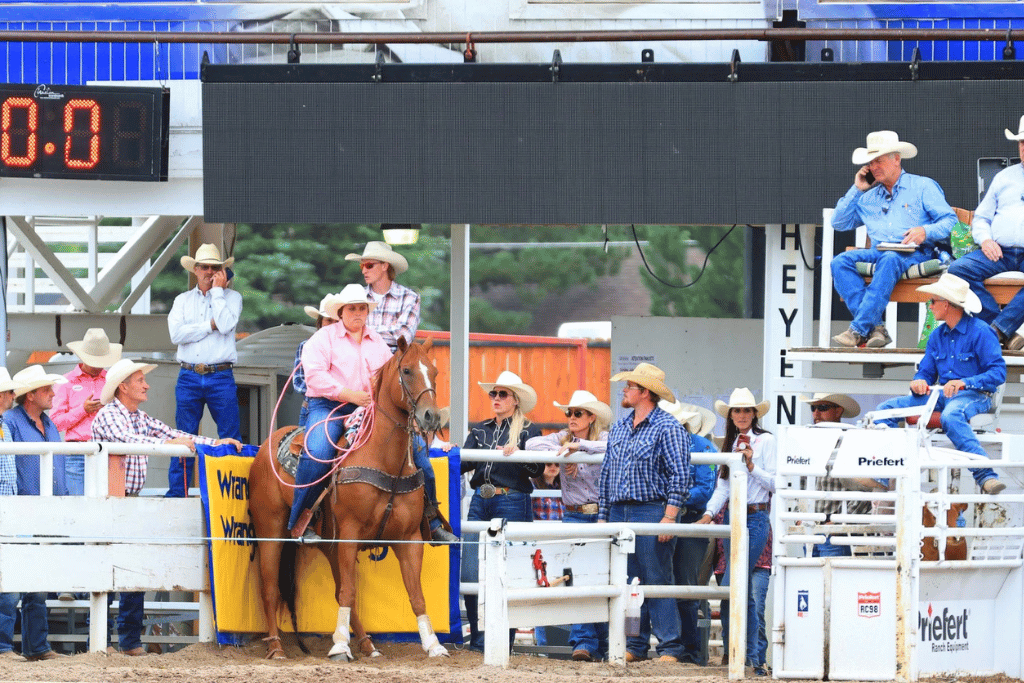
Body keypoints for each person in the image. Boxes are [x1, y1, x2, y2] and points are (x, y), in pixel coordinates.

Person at [91, 358, 241, 655]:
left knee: (130, 565)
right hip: (106, 500)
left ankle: (125, 641)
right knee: (107, 566)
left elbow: (170, 434)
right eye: (139, 381)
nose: (145, 384)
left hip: (123, 498)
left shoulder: (137, 416)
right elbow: (130, 440)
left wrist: (214, 442)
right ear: (123, 387)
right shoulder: (110, 415)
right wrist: (176, 444)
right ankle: (111, 641)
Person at [873, 273, 1006, 494]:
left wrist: (964, 383)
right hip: (941, 396)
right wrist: (919, 382)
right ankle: (881, 473)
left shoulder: (982, 332)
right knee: (884, 411)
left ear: (947, 304)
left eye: (933, 301)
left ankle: (986, 475)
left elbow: (998, 372)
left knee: (951, 415)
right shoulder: (937, 336)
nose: (930, 305)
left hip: (976, 395)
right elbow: (925, 372)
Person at [598, 363, 689, 663]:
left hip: (652, 509)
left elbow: (680, 474)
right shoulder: (621, 427)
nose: (624, 390)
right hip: (622, 510)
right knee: (629, 582)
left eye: (630, 386)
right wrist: (603, 516)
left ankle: (669, 646)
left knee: (655, 577)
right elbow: (607, 473)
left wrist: (670, 515)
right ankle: (636, 644)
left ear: (644, 392)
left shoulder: (668, 426)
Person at [830, 130, 956, 347]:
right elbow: (838, 223)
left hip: (916, 252)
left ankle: (859, 329)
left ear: (896, 159)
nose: (873, 167)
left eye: (879, 161)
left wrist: (925, 231)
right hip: (878, 252)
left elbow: (950, 221)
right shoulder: (867, 196)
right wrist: (857, 189)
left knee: (890, 258)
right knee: (839, 262)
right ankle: (876, 328)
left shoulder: (922, 186)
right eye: (870, 162)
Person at [288, 285, 392, 541]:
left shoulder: (377, 341)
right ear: (342, 312)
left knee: (415, 450)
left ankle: (431, 517)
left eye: (361, 308)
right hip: (327, 405)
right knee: (319, 452)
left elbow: (388, 375)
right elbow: (314, 377)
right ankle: (302, 520)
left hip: (367, 407)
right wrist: (349, 394)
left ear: (367, 311)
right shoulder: (322, 339)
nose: (357, 313)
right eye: (352, 308)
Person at [526, 389, 611, 662]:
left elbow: (613, 448)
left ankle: (599, 642)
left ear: (590, 417)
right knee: (578, 578)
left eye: (577, 413)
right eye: (569, 413)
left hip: (601, 515)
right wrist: (566, 452)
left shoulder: (604, 439)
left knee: (602, 579)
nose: (571, 418)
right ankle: (584, 642)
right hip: (574, 514)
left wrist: (581, 448)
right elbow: (531, 445)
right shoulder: (562, 439)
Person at [461, 371, 543, 653]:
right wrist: (450, 452)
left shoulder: (530, 430)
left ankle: (503, 641)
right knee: (471, 570)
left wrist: (519, 452)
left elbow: (538, 470)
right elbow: (462, 463)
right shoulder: (479, 430)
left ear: (515, 400)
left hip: (511, 499)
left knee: (509, 570)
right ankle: (479, 639)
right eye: (493, 394)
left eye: (502, 394)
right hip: (482, 499)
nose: (496, 398)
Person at [696, 387, 776, 671]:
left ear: (754, 414)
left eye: (746, 410)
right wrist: (708, 513)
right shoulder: (730, 444)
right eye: (737, 410)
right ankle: (746, 655)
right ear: (731, 415)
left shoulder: (766, 441)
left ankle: (744, 654)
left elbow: (776, 484)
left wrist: (751, 465)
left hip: (754, 518)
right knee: (739, 588)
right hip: (735, 517)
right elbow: (723, 487)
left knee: (734, 585)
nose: (742, 415)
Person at [1, 365, 68, 662]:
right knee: (13, 583)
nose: (52, 394)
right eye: (46, 389)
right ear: (31, 396)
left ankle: (35, 646)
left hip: (40, 510)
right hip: (21, 508)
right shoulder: (11, 422)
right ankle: (8, 647)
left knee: (36, 580)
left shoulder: (44, 422)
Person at [166, 243, 243, 497]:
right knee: (183, 438)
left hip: (220, 374)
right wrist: (209, 325)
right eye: (205, 267)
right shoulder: (182, 300)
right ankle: (179, 494)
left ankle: (230, 495)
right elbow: (176, 335)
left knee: (229, 436)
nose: (210, 271)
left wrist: (218, 293)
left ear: (222, 271)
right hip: (189, 374)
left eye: (215, 267)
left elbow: (225, 324)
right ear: (196, 269)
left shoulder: (232, 297)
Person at [948, 115, 1024, 351]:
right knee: (957, 270)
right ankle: (999, 326)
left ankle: (998, 329)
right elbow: (982, 217)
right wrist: (986, 239)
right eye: (1022, 143)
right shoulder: (1004, 177)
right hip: (999, 251)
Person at [663, 400, 717, 666]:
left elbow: (706, 489)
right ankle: (679, 647)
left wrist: (674, 499)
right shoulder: (698, 446)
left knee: (687, 586)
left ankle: (691, 649)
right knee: (667, 583)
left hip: (691, 520)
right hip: (671, 518)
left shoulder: (704, 447)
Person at [799, 393, 885, 558]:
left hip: (834, 530)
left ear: (838, 411)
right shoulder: (811, 442)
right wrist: (801, 515)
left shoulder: (851, 440)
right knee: (814, 578)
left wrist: (839, 522)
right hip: (813, 527)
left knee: (829, 578)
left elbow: (864, 488)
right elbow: (803, 483)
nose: (816, 413)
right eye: (813, 408)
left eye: (823, 408)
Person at [51, 328, 122, 495]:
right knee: (79, 504)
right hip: (77, 452)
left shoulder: (112, 380)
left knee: (108, 504)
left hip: (108, 451)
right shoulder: (66, 382)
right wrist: (83, 410)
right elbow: (55, 423)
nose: (98, 366)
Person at [346, 240, 420, 352]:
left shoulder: (409, 297)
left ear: (385, 266)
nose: (364, 271)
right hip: (359, 363)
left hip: (393, 366)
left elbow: (404, 337)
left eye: (369, 265)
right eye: (362, 266)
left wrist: (363, 331)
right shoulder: (356, 296)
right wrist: (391, 329)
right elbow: (347, 332)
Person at [294, 295, 339, 428]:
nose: (332, 325)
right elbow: (298, 382)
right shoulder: (306, 345)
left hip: (343, 407)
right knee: (308, 447)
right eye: (328, 320)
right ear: (320, 322)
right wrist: (329, 392)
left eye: (337, 321)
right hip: (313, 406)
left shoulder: (349, 348)